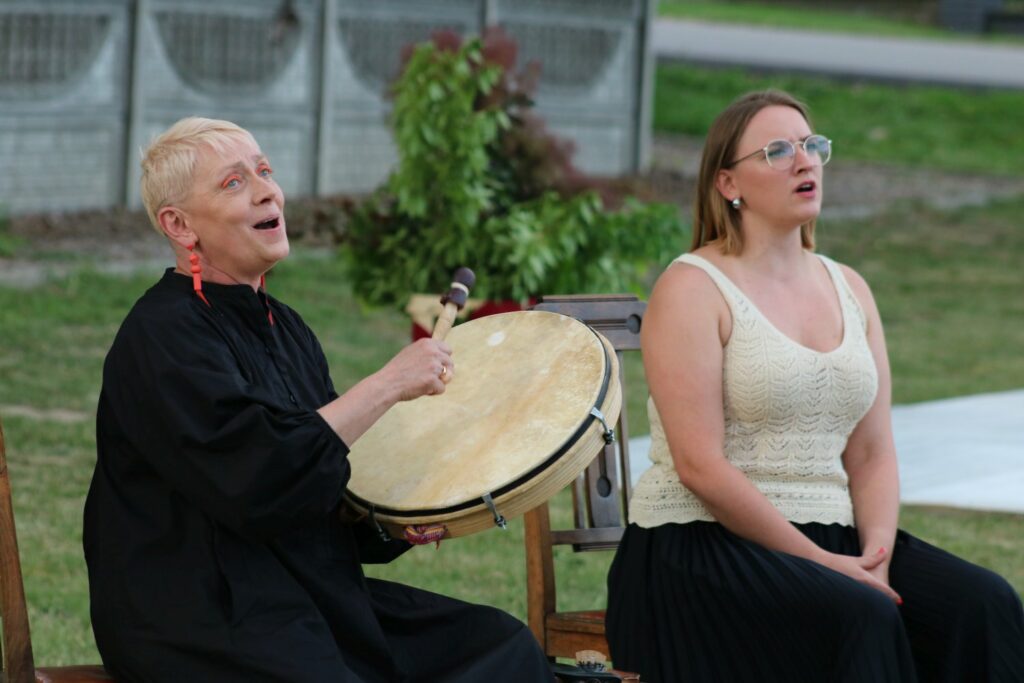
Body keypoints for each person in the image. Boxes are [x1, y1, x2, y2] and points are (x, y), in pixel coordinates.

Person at [83, 117, 551, 682]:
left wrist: (397, 519)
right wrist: (385, 384)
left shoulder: (286, 327)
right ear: (179, 225)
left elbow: (322, 488)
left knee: (499, 647)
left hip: (306, 594)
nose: (266, 191)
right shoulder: (162, 335)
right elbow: (260, 481)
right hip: (201, 614)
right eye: (233, 183)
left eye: (264, 171)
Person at [605, 90, 1024, 682]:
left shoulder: (850, 287)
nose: (804, 161)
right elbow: (700, 466)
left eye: (811, 146)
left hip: (834, 534)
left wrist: (876, 557)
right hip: (700, 544)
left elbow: (873, 452)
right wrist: (821, 563)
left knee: (983, 603)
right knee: (860, 615)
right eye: (777, 151)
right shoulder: (693, 287)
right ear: (728, 183)